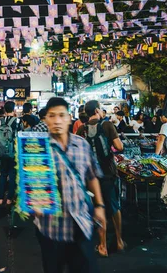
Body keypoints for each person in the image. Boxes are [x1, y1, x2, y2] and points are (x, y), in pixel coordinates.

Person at [32, 97, 106, 273]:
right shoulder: (37, 148)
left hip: (81, 224)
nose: (57, 120)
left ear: (69, 117)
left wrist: (100, 206)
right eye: (52, 115)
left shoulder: (81, 144)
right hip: (50, 228)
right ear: (46, 119)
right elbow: (32, 182)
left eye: (61, 115)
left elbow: (92, 175)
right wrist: (34, 202)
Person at [76, 100, 125, 257]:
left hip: (90, 176)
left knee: (99, 207)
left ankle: (102, 245)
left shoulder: (82, 130)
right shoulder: (107, 125)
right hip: (108, 173)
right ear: (97, 110)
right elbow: (119, 147)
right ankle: (118, 240)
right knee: (114, 206)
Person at [0, 101, 21, 206]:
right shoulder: (18, 121)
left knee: (3, 174)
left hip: (1, 152)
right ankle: (10, 198)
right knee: (12, 175)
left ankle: (1, 198)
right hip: (13, 151)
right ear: (14, 109)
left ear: (4, 110)